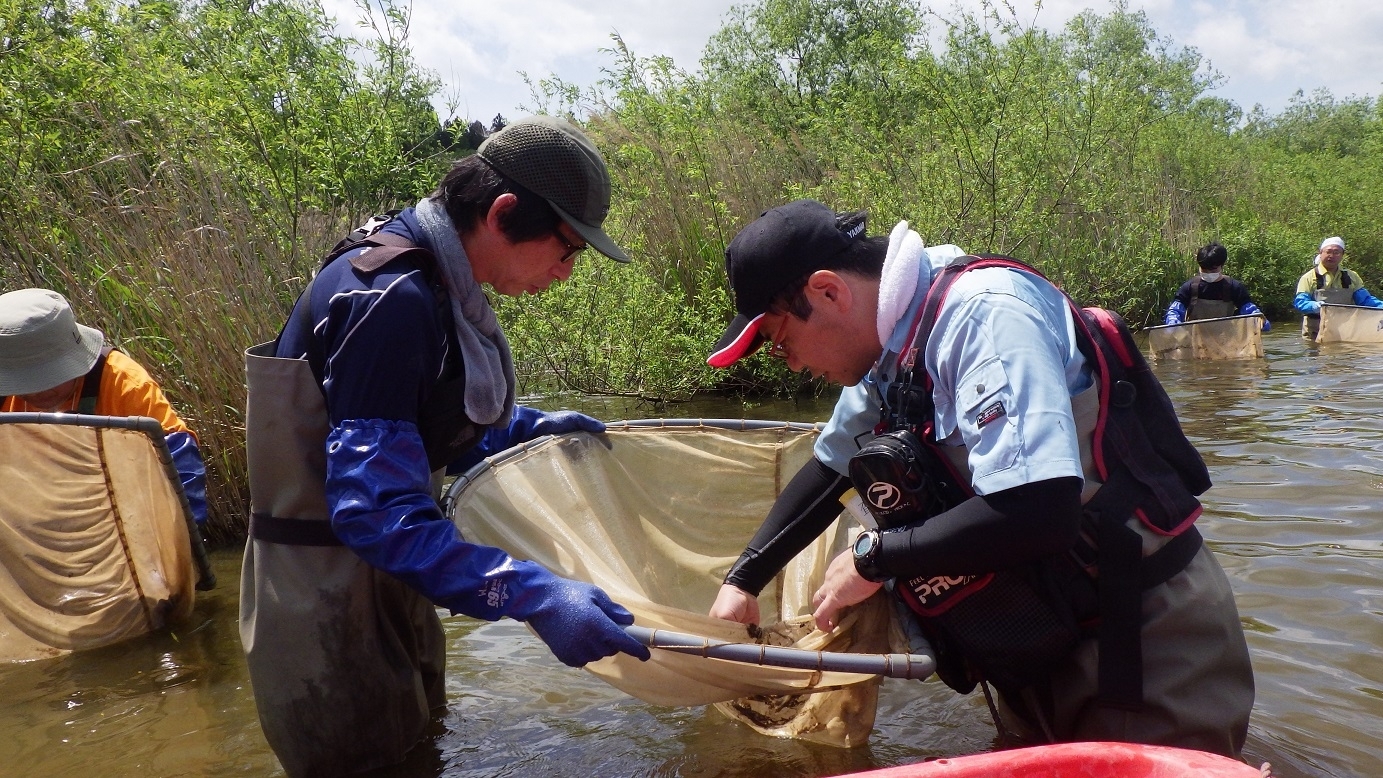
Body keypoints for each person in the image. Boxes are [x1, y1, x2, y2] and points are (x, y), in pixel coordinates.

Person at [705, 200, 1253, 756]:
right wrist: (743, 580)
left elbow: (1040, 507)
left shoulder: (986, 316)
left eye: (780, 341)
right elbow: (832, 468)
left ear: (828, 292)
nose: (790, 363)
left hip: (1138, 635)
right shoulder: (889, 340)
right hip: (1036, 630)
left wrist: (876, 557)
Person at [239, 115, 650, 778]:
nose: (566, 273)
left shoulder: (426, 279)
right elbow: (372, 512)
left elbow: (404, 426)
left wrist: (518, 428)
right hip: (325, 609)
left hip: (388, 580)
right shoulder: (388, 298)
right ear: (503, 212)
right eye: (567, 247)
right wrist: (529, 592)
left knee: (418, 752)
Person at [0, 287, 208, 525]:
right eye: (21, 381)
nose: (35, 391)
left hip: (121, 524)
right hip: (31, 523)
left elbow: (181, 466)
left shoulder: (124, 382)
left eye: (48, 378)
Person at [1163, 242, 1269, 331]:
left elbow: (1249, 310)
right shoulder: (1190, 287)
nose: (1208, 272)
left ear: (1222, 266)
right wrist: (1172, 323)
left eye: (1213, 269)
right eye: (1204, 269)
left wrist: (1259, 320)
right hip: (1194, 340)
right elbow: (1175, 310)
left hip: (1226, 339)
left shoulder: (1234, 287)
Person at [1293, 236, 1383, 338]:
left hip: (1345, 331)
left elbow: (1365, 301)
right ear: (1320, 252)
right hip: (1315, 331)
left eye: (1336, 252)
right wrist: (1313, 306)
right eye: (1328, 251)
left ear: (1342, 255)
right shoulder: (1308, 277)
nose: (1331, 255)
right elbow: (1300, 302)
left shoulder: (1351, 276)